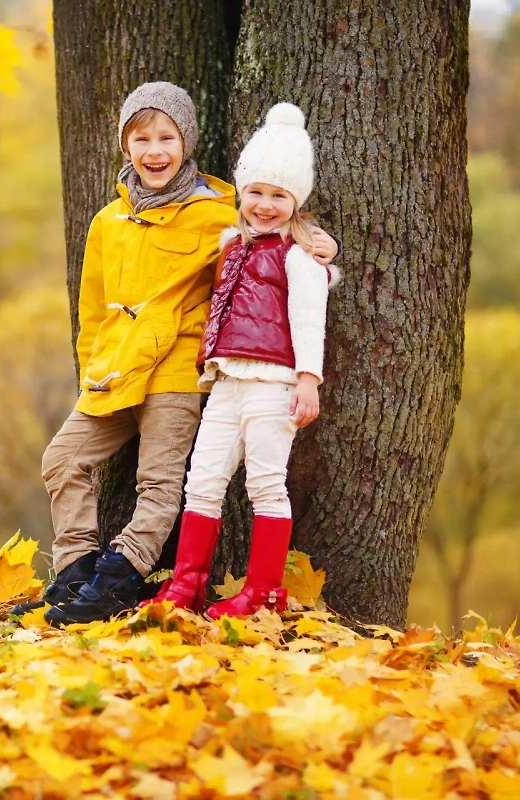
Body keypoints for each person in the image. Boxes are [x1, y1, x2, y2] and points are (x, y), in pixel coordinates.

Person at [13, 83, 338, 626]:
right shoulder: (107, 222)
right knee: (62, 460)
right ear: (126, 146)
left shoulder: (216, 213)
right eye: (141, 138)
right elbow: (92, 308)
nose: (155, 150)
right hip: (115, 369)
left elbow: (272, 235)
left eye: (167, 137)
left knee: (160, 482)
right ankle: (76, 572)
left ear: (185, 141)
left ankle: (119, 577)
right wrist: (94, 368)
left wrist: (327, 248)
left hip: (178, 368)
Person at [142, 102, 339, 619]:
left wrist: (308, 380)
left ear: (296, 201)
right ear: (241, 192)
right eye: (256, 192)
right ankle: (188, 585)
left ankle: (264, 593)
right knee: (202, 479)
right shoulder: (232, 244)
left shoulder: (301, 256)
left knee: (266, 483)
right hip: (227, 380)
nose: (265, 205)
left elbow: (308, 321)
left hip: (274, 384)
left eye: (279, 196)